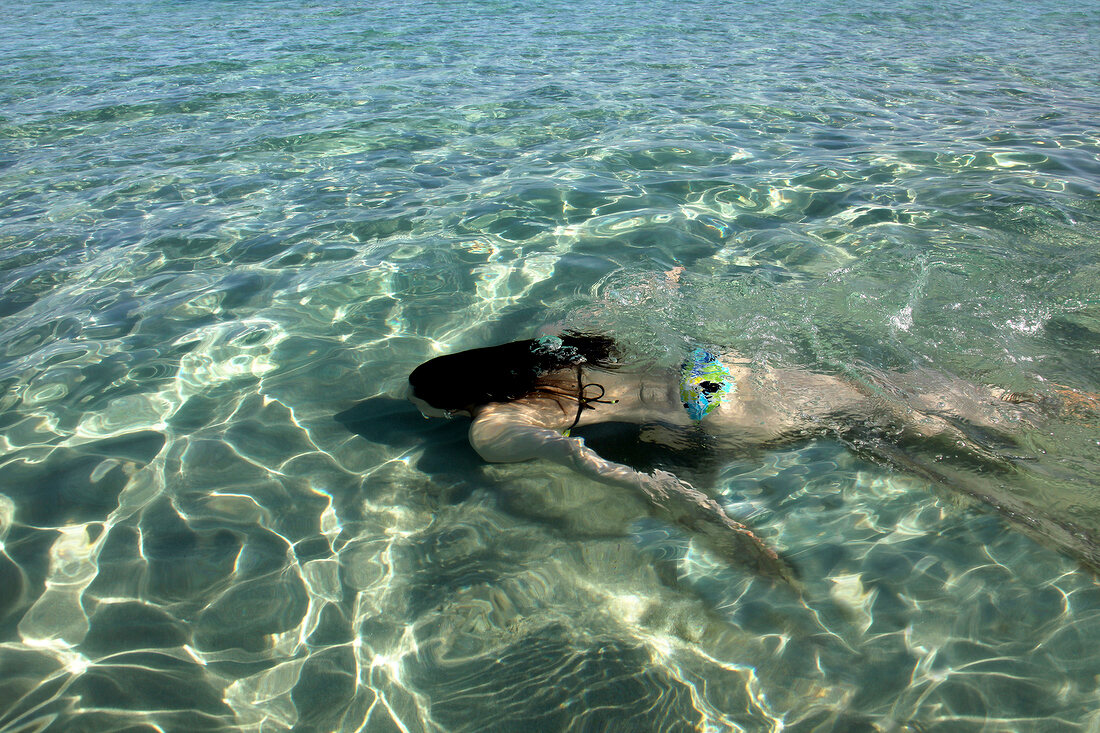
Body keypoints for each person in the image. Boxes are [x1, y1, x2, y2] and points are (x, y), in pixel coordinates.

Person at [407, 332, 1052, 583]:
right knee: (919, 407)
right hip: (714, 370)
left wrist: (720, 529)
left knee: (917, 439)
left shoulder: (495, 428)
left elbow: (599, 468)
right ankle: (1065, 403)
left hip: (716, 415)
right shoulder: (550, 351)